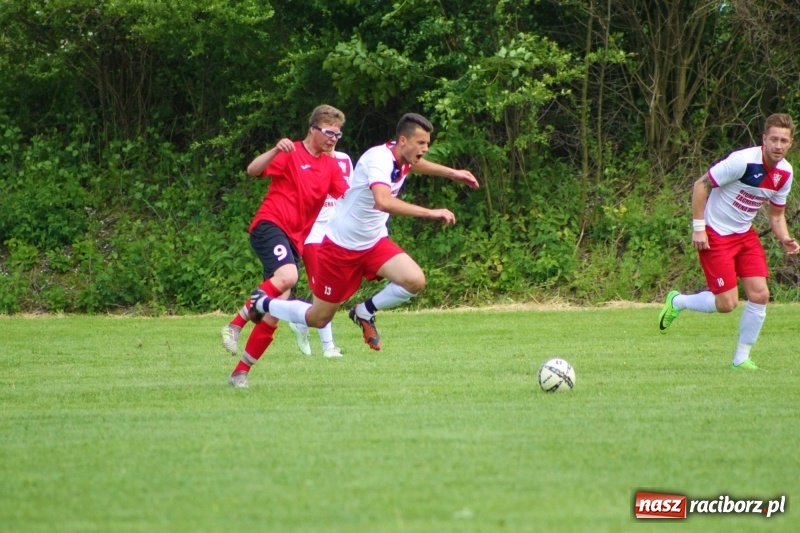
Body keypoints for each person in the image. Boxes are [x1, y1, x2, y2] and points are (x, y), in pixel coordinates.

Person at [248, 113, 479, 351]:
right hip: (341, 247)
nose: (425, 148)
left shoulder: (402, 157)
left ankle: (364, 312)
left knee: (415, 280)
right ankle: (266, 304)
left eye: (427, 144)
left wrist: (454, 173)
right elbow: (383, 202)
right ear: (402, 140)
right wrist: (431, 213)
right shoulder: (378, 158)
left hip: (373, 242)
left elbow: (416, 164)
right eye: (421, 143)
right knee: (319, 318)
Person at [221, 104, 349, 388]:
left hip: (295, 239)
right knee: (289, 276)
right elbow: (253, 170)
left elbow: (348, 197)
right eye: (329, 132)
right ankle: (235, 325)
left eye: (338, 135)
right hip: (270, 224)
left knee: (275, 310)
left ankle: (240, 372)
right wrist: (276, 150)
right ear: (313, 129)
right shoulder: (291, 152)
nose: (333, 139)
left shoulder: (330, 165)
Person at [658, 113, 799, 369]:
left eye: (784, 141)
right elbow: (700, 185)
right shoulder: (742, 161)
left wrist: (785, 238)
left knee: (760, 294)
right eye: (774, 139)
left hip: (744, 235)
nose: (778, 145)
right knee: (727, 304)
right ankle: (677, 301)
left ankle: (741, 358)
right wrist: (699, 228)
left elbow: (776, 215)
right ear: (764, 139)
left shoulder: (785, 174)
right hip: (716, 234)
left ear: (791, 143)